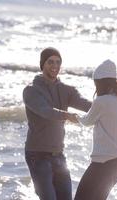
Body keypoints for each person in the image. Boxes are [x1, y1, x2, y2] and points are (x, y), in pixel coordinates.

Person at [23, 47, 92, 200]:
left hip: (59, 156)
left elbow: (85, 104)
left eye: (58, 62)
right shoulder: (31, 90)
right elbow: (46, 111)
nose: (55, 65)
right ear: (42, 64)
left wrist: (107, 104)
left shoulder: (66, 90)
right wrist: (67, 115)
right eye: (50, 62)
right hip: (37, 155)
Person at [74, 59, 117, 200]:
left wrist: (73, 117)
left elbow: (87, 121)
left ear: (100, 82)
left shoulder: (102, 101)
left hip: (103, 164)